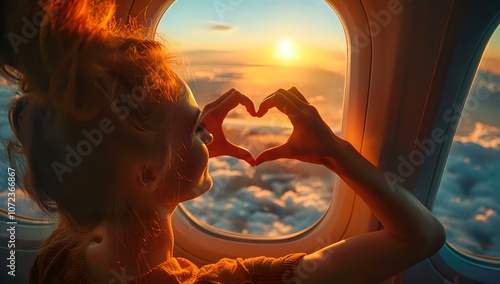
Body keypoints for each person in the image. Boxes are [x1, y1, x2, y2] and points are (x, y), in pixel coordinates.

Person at [1, 0, 446, 283]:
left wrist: (178, 133)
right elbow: (420, 237)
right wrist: (333, 150)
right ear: (148, 172)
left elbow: (104, 164)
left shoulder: (66, 249)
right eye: (199, 128)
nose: (210, 133)